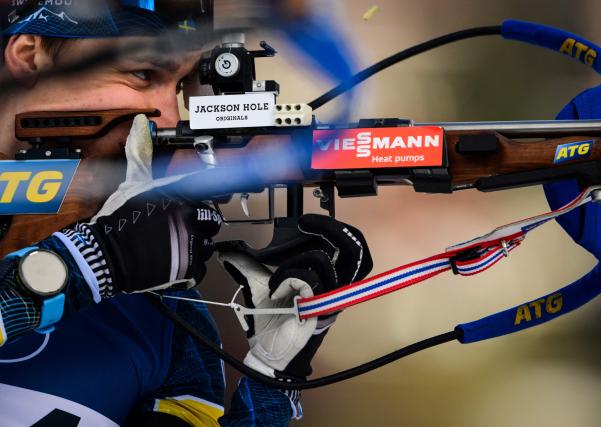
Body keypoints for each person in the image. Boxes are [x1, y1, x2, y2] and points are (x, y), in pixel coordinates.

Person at [0, 2, 373, 426]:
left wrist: (271, 380)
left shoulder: (169, 317)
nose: (170, 116)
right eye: (142, 74)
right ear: (30, 56)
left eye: (179, 88)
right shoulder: (112, 265)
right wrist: (88, 263)